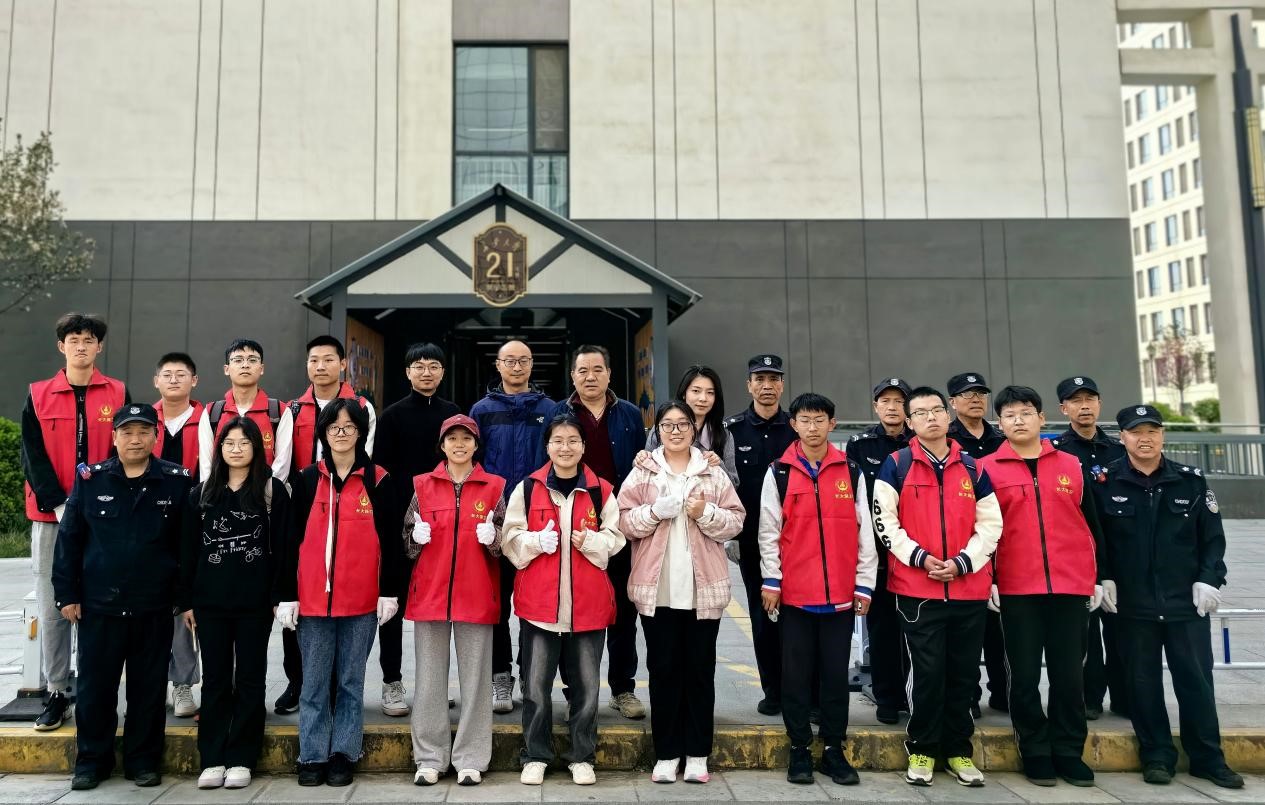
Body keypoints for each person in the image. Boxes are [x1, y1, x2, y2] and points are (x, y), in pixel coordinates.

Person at [1089, 405, 1243, 789]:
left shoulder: (1190, 480)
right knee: (1142, 686)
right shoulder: (1103, 482)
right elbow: (1094, 539)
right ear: (1122, 437)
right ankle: (1156, 756)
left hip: (1185, 603)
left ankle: (1208, 758)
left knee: (1196, 683)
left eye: (1152, 431)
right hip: (1132, 605)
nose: (1145, 439)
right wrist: (1101, 577)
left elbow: (1212, 538)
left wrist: (1209, 579)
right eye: (1136, 432)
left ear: (1162, 435)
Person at [51, 404, 193, 790]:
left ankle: (143, 761)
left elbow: (186, 546)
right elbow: (69, 540)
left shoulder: (177, 482)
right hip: (100, 606)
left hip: (153, 605)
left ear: (155, 437)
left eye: (144, 432)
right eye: (127, 432)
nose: (135, 439)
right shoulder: (91, 479)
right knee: (95, 689)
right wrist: (66, 594)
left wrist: (184, 598)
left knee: (148, 690)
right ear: (114, 437)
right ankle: (91, 762)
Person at [871, 386, 1002, 788]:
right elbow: (884, 522)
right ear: (910, 422)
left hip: (968, 588)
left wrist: (963, 562)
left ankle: (959, 751)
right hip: (918, 590)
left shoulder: (973, 467)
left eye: (936, 410)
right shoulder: (896, 464)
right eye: (920, 413)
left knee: (963, 675)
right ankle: (923, 749)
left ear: (948, 416)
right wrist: (920, 558)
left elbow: (991, 524)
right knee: (927, 673)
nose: (930, 417)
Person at [276, 398, 405, 788]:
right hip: (313, 604)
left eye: (350, 427)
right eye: (334, 427)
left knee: (351, 683)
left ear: (361, 432)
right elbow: (289, 542)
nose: (342, 433)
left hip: (362, 603)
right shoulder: (306, 480)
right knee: (314, 684)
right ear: (324, 433)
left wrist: (389, 592)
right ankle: (312, 754)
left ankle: (343, 754)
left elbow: (392, 542)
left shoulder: (378, 479)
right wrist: (287, 594)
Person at [979, 386, 1103, 788]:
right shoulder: (985, 469)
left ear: (1042, 418)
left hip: (1070, 585)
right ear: (999, 423)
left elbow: (1092, 525)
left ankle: (1068, 750)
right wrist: (990, 578)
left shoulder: (1070, 465)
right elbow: (981, 531)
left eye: (1026, 412)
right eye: (1010, 415)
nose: (1019, 420)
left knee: (1069, 676)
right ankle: (1034, 749)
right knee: (1024, 675)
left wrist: (1098, 577)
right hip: (1017, 588)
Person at [617, 401, 744, 785]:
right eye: (668, 425)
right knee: (663, 673)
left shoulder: (711, 472)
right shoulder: (643, 472)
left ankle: (698, 753)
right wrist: (655, 511)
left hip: (702, 593)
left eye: (683, 424)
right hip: (657, 593)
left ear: (693, 429)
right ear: (657, 431)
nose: (675, 431)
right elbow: (623, 521)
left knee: (700, 673)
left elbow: (736, 521)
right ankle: (667, 753)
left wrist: (705, 513)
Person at [758, 393, 876, 786]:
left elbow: (865, 534)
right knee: (795, 677)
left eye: (820, 419)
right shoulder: (779, 472)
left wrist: (864, 585)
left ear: (832, 423)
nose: (812, 427)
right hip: (795, 596)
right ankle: (799, 749)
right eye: (805, 420)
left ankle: (833, 750)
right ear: (793, 424)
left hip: (840, 598)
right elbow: (768, 532)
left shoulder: (851, 471)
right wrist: (772, 580)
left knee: (834, 678)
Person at [503, 414, 625, 787]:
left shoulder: (601, 490)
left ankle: (582, 756)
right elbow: (509, 538)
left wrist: (592, 541)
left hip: (588, 608)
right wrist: (534, 541)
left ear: (584, 447)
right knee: (536, 689)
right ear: (547, 446)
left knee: (587, 690)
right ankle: (535, 755)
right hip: (539, 608)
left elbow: (616, 538)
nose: (565, 447)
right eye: (558, 440)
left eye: (573, 440)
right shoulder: (528, 488)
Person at [21, 312, 129, 732]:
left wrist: (102, 502)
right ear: (61, 346)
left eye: (88, 340)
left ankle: (93, 689)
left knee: (99, 603)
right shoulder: (38, 394)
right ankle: (56, 691)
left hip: (103, 518)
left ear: (99, 346)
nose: (81, 346)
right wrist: (58, 504)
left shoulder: (116, 392)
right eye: (73, 340)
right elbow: (32, 454)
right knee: (53, 606)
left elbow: (126, 450)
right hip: (51, 518)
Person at [179, 416, 290, 791]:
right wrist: (186, 602)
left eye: (245, 443)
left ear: (257, 448)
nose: (237, 449)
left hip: (255, 604)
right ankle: (212, 758)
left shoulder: (272, 492)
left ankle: (242, 756)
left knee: (250, 679)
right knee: (214, 680)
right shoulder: (201, 495)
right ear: (219, 449)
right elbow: (187, 552)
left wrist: (278, 597)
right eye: (229, 443)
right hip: (209, 604)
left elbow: (284, 549)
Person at [541, 345, 646, 719]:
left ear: (609, 374)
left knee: (622, 608)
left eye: (597, 369)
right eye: (582, 370)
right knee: (572, 608)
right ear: (572, 375)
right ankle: (574, 691)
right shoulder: (558, 413)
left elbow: (644, 468)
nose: (590, 376)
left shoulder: (630, 414)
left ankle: (622, 688)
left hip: (617, 522)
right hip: (572, 523)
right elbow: (545, 466)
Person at [286, 336, 388, 715]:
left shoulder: (361, 407)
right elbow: (284, 461)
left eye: (329, 359)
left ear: (343, 364)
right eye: (314, 360)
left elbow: (366, 456)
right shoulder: (293, 409)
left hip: (349, 497)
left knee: (348, 670)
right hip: (310, 501)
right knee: (303, 618)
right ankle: (296, 684)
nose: (321, 366)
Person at [404, 414, 504, 787]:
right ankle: (430, 758)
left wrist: (493, 537)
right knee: (429, 680)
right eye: (452, 439)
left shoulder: (495, 487)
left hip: (476, 594)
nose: (459, 444)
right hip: (430, 593)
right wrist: (415, 536)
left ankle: (471, 758)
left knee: (476, 682)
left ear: (476, 445)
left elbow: (505, 545)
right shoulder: (422, 486)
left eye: (466, 438)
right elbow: (407, 543)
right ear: (442, 445)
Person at [373, 344, 459, 718]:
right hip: (400, 525)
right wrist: (396, 522)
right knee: (392, 606)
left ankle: (434, 687)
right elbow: (381, 473)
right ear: (407, 372)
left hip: (444, 526)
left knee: (438, 608)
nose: (426, 372)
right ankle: (392, 682)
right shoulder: (391, 416)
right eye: (419, 366)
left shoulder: (453, 414)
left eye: (433, 366)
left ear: (442, 372)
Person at [469, 339, 553, 713]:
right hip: (495, 519)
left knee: (535, 604)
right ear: (498, 365)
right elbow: (473, 461)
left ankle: (531, 674)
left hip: (538, 520)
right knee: (496, 604)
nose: (516, 367)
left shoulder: (550, 410)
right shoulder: (482, 410)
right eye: (510, 361)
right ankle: (500, 676)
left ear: (531, 365)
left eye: (523, 361)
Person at [723, 354, 796, 716]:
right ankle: (774, 691)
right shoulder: (732, 431)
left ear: (782, 385)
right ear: (749, 385)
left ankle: (801, 690)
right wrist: (731, 536)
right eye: (760, 379)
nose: (767, 386)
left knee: (799, 617)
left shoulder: (797, 427)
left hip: (798, 541)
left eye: (773, 379)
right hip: (752, 541)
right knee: (763, 616)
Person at [1053, 375, 1128, 720]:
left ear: (1099, 404)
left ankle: (1125, 697)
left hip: (1120, 550)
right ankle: (1091, 697)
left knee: (1123, 631)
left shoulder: (1118, 448)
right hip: (1079, 551)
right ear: (1063, 408)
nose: (1084, 406)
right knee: (1086, 631)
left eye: (1090, 399)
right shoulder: (1057, 451)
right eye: (1076, 400)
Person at [846, 377, 914, 725]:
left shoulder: (920, 442)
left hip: (917, 552)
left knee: (917, 631)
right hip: (878, 554)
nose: (892, 407)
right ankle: (887, 698)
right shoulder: (861, 446)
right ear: (875, 407)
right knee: (883, 629)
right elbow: (853, 501)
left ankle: (914, 696)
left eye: (899, 401)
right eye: (885, 401)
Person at [945, 371, 1007, 717]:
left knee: (1000, 629)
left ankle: (1003, 692)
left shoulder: (1002, 438)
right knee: (964, 631)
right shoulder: (946, 439)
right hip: (959, 544)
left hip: (1000, 541)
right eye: (967, 394)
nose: (975, 399)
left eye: (980, 394)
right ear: (952, 403)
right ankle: (967, 697)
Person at [152, 352, 204, 720]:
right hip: (150, 524)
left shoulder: (209, 420)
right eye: (167, 374)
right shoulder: (142, 420)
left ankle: (184, 683)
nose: (173, 380)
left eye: (181, 374)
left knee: (185, 603)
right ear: (156, 381)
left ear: (194, 381)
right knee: (152, 607)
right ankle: (155, 682)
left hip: (193, 521)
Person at [198, 338, 293, 482]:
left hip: (265, 493)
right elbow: (206, 466)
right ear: (226, 369)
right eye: (238, 360)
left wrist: (266, 491)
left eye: (252, 360)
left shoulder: (279, 411)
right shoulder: (212, 412)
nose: (245, 365)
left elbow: (282, 464)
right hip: (221, 493)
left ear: (261, 368)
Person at [640, 366, 738, 484]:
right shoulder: (663, 429)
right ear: (684, 394)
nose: (703, 398)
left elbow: (733, 485)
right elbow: (643, 474)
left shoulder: (723, 436)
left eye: (710, 393)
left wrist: (719, 464)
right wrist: (640, 459)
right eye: (696, 391)